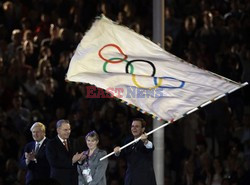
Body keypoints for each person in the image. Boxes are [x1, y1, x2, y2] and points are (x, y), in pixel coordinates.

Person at [114, 118, 157, 185]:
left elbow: (150, 147)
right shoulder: (128, 141)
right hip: (130, 179)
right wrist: (117, 152)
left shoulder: (146, 141)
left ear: (142, 129)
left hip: (144, 180)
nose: (134, 128)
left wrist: (145, 141)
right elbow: (122, 154)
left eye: (137, 126)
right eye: (132, 126)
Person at [46, 119, 83, 185]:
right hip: (58, 180)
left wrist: (80, 160)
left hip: (73, 180)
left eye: (69, 129)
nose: (68, 132)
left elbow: (77, 158)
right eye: (65, 130)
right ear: (58, 130)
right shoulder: (51, 144)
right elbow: (53, 162)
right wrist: (72, 161)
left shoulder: (73, 142)